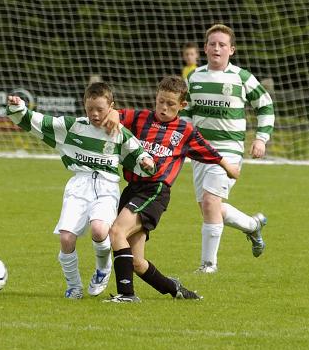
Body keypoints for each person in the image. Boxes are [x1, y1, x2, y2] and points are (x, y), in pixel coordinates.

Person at [6, 82, 155, 299]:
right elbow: (39, 122)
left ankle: (102, 269)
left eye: (100, 109)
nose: (94, 114)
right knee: (66, 238)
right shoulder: (72, 126)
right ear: (84, 106)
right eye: (90, 109)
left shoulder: (118, 131)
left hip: (106, 186)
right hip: (79, 185)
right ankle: (74, 286)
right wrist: (19, 108)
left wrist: (146, 161)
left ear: (111, 107)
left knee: (99, 230)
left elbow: (137, 152)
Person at [103, 75, 240, 303]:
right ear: (155, 98)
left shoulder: (184, 131)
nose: (164, 108)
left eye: (170, 104)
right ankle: (175, 289)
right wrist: (114, 115)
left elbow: (207, 150)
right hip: (132, 188)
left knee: (117, 232)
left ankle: (126, 295)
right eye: (160, 102)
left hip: (155, 191)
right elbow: (117, 114)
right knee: (137, 262)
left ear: (182, 105)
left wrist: (228, 166)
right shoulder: (141, 118)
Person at [182, 24, 275, 273]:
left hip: (229, 150)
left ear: (231, 50)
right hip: (200, 151)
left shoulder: (242, 78)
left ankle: (208, 266)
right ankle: (252, 225)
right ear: (205, 48)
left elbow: (265, 106)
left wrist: (261, 139)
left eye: (222, 44)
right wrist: (183, 142)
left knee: (211, 202)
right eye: (212, 43)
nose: (216, 48)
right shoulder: (193, 77)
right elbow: (186, 114)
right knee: (209, 207)